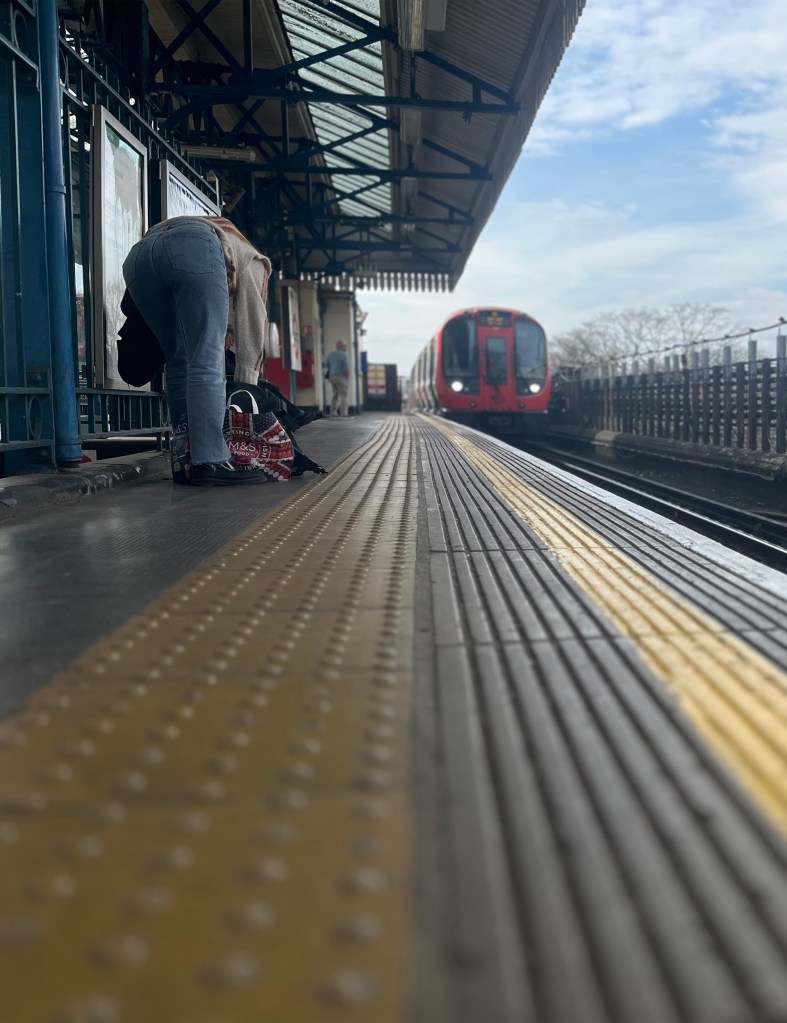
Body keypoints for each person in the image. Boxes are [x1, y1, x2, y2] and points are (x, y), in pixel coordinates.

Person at [121, 216, 273, 485]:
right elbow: (253, 317)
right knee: (206, 356)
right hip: (192, 246)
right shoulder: (257, 261)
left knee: (178, 359)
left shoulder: (226, 240)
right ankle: (211, 460)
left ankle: (186, 458)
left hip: (139, 256)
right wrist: (248, 376)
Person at [325, 340, 350, 417]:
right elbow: (346, 368)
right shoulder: (344, 355)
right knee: (343, 395)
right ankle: (343, 413)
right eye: (345, 346)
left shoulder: (331, 355)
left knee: (334, 394)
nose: (346, 347)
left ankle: (333, 412)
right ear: (341, 346)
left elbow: (327, 365)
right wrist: (347, 377)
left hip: (332, 376)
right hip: (341, 377)